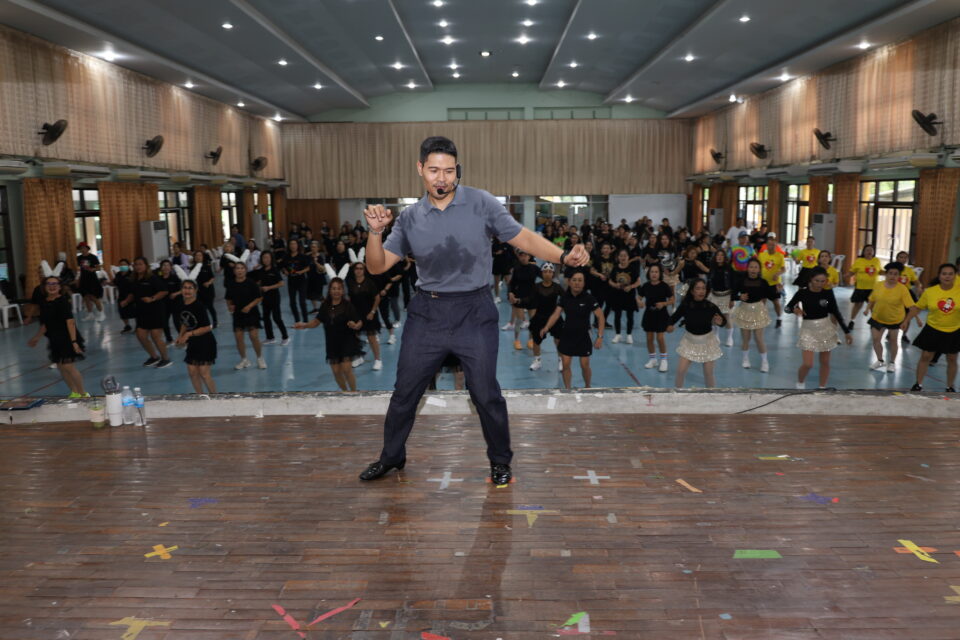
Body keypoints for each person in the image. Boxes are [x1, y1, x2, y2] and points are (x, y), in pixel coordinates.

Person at [358, 135, 589, 485]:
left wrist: (562, 256)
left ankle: (500, 461)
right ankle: (392, 456)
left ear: (458, 170)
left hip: (474, 312)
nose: (441, 178)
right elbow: (376, 267)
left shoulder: (481, 203)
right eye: (434, 170)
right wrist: (375, 233)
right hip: (427, 313)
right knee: (405, 392)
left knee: (485, 392)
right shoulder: (409, 218)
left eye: (449, 171)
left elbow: (522, 237)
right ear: (420, 169)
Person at [785, 266, 853, 389]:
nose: (820, 284)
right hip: (808, 329)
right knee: (808, 364)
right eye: (817, 281)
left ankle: (822, 387)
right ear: (811, 279)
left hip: (825, 328)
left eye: (823, 281)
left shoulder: (827, 293)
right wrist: (794, 310)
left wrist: (846, 331)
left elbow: (836, 312)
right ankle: (800, 383)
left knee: (825, 362)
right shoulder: (802, 293)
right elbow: (787, 308)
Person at [294, 277, 364, 392]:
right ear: (330, 290)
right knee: (336, 372)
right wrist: (304, 325)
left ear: (342, 291)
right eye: (334, 288)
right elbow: (316, 322)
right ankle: (345, 392)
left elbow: (359, 322)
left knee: (347, 370)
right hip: (332, 343)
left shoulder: (348, 305)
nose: (336, 291)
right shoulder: (325, 306)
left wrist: (356, 326)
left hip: (347, 341)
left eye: (339, 289)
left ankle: (354, 393)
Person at [539, 272, 604, 389]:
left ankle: (588, 387)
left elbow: (600, 316)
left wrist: (600, 336)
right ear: (569, 282)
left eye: (580, 280)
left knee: (584, 365)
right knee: (565, 364)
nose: (577, 283)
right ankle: (568, 390)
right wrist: (546, 327)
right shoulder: (564, 298)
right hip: (567, 335)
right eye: (574, 280)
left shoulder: (589, 298)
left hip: (584, 336)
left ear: (584, 283)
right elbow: (556, 314)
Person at [26, 275, 88, 397]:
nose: (52, 286)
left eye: (55, 284)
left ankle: (83, 394)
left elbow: (70, 322)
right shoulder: (44, 302)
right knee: (61, 367)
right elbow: (46, 323)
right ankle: (74, 393)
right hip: (54, 338)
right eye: (49, 284)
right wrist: (37, 337)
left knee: (68, 366)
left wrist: (74, 342)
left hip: (67, 337)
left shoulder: (62, 301)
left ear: (60, 287)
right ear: (44, 287)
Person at [902, 263, 960, 392]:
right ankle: (918, 384)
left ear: (955, 276)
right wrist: (906, 320)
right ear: (939, 276)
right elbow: (917, 308)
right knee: (926, 356)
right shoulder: (930, 292)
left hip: (954, 330)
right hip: (933, 328)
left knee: (952, 358)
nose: (947, 276)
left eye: (950, 274)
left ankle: (950, 386)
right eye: (944, 274)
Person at [667, 279, 727, 388]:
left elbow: (723, 321)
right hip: (689, 342)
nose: (701, 291)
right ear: (692, 291)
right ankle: (678, 394)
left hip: (707, 343)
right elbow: (673, 318)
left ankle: (712, 394)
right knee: (680, 371)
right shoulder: (686, 305)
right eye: (698, 288)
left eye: (703, 288)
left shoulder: (711, 306)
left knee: (708, 374)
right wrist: (669, 326)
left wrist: (721, 322)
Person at [865, 262, 915, 373]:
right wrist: (867, 309)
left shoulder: (902, 289)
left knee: (893, 341)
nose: (892, 276)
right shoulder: (878, 285)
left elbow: (912, 308)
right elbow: (872, 299)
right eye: (890, 273)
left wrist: (905, 321)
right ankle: (880, 360)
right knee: (876, 339)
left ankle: (892, 362)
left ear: (899, 276)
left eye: (896, 274)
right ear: (886, 274)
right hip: (877, 317)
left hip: (894, 320)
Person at [731, 257, 775, 372]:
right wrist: (739, 297)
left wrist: (777, 290)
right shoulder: (741, 281)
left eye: (756, 267)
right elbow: (732, 295)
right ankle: (745, 359)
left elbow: (771, 295)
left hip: (758, 310)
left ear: (759, 269)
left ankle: (765, 361)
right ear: (747, 268)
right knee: (746, 338)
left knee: (759, 338)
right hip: (744, 310)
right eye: (751, 267)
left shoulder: (763, 282)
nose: (753, 269)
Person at [174, 279, 217, 395]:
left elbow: (207, 327)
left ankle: (215, 397)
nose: (187, 290)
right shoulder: (181, 304)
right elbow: (184, 322)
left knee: (204, 373)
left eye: (190, 288)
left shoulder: (199, 306)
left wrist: (188, 334)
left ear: (195, 290)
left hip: (205, 342)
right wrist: (180, 336)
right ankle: (200, 396)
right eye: (184, 288)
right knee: (192, 372)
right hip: (193, 342)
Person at [131, 256, 172, 367]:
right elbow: (133, 293)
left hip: (156, 310)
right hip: (142, 311)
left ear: (146, 266)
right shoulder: (134, 279)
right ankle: (154, 357)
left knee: (155, 336)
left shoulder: (152, 278)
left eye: (140, 264)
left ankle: (166, 359)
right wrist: (126, 301)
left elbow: (164, 291)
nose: (138, 266)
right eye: (136, 264)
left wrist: (152, 298)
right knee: (141, 335)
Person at [225, 261, 265, 370]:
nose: (240, 270)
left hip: (252, 313)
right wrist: (230, 307)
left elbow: (259, 297)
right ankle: (244, 360)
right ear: (234, 271)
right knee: (238, 338)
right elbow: (228, 298)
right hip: (238, 314)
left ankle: (260, 358)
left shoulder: (251, 283)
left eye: (242, 268)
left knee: (254, 336)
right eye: (237, 268)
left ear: (245, 270)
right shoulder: (231, 284)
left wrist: (249, 306)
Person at [637, 264, 674, 372]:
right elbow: (639, 297)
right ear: (649, 273)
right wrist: (640, 302)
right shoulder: (646, 286)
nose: (654, 274)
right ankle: (653, 359)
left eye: (656, 272)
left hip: (661, 315)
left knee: (660, 338)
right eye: (652, 272)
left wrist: (664, 303)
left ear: (660, 274)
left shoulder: (664, 286)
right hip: (649, 315)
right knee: (649, 338)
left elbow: (672, 300)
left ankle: (664, 360)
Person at [527, 263, 564, 371]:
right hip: (539, 316)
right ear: (542, 273)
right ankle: (537, 360)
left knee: (558, 339)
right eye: (545, 271)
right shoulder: (536, 287)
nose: (547, 274)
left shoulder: (557, 287)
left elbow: (566, 299)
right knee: (536, 340)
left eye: (550, 272)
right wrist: (518, 301)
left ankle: (560, 360)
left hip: (554, 317)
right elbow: (529, 300)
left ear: (553, 274)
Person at [347, 262, 384, 371]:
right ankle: (359, 357)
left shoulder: (369, 283)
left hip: (369, 314)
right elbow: (350, 299)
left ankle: (378, 360)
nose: (358, 270)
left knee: (371, 337)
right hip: (356, 314)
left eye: (361, 268)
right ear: (354, 270)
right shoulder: (351, 283)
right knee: (355, 336)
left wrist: (372, 312)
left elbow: (377, 298)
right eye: (356, 268)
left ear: (364, 270)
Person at [504, 250, 539, 349]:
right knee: (519, 320)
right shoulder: (516, 269)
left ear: (529, 257)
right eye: (521, 256)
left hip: (531, 297)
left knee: (533, 321)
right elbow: (511, 283)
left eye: (525, 256)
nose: (523, 258)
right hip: (518, 297)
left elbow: (545, 277)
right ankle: (516, 340)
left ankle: (530, 340)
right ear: (519, 257)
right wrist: (510, 292)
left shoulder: (534, 268)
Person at [253, 251, 289, 346]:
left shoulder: (275, 270)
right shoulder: (261, 270)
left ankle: (285, 337)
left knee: (277, 318)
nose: (266, 259)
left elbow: (281, 283)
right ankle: (270, 338)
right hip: (265, 298)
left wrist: (269, 288)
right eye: (264, 257)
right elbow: (259, 282)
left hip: (274, 297)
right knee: (266, 318)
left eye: (268, 257)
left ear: (271, 259)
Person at [608, 248, 640, 344]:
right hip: (617, 295)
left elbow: (638, 282)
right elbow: (610, 280)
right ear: (618, 257)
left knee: (630, 315)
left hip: (629, 295)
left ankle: (629, 335)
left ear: (628, 257)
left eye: (625, 256)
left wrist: (631, 286)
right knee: (617, 315)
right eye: (621, 256)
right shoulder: (615, 268)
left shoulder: (632, 268)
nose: (623, 258)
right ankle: (618, 334)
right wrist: (615, 285)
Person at [846, 244, 882, 329]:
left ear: (873, 252)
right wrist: (846, 276)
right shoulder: (859, 261)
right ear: (864, 252)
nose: (869, 252)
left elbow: (880, 271)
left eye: (871, 250)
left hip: (873, 288)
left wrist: (890, 273)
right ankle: (852, 321)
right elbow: (852, 271)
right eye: (867, 250)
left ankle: (873, 322)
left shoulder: (876, 260)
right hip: (861, 287)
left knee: (873, 306)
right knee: (858, 305)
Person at [707, 251, 735, 347]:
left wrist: (732, 299)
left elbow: (733, 284)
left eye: (722, 255)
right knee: (714, 316)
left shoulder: (729, 268)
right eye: (718, 255)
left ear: (725, 257)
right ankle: (716, 336)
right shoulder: (712, 268)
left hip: (726, 296)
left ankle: (729, 338)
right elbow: (709, 282)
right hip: (714, 295)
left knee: (727, 317)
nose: (719, 257)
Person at [758, 234, 786, 328]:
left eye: (773, 245)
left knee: (776, 302)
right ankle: (761, 318)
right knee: (762, 301)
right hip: (763, 282)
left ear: (776, 245)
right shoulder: (762, 255)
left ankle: (779, 318)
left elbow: (783, 269)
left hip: (774, 283)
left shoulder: (780, 256)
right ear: (766, 245)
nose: (772, 247)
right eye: (770, 245)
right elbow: (758, 267)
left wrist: (777, 274)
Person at [76, 242, 105, 321]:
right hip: (83, 279)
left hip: (92, 279)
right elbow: (80, 269)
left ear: (87, 248)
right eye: (81, 248)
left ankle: (102, 313)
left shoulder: (93, 257)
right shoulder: (79, 258)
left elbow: (99, 268)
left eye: (84, 248)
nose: (82, 249)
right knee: (86, 297)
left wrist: (93, 269)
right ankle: (90, 314)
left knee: (94, 297)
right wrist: (78, 280)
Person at [284, 239, 311, 323]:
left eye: (294, 244)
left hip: (301, 281)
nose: (293, 246)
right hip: (291, 281)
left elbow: (308, 268)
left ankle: (305, 321)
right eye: (291, 244)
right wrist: (285, 271)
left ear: (297, 245)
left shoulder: (302, 256)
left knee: (302, 302)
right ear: (289, 246)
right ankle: (297, 321)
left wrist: (301, 272)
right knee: (292, 302)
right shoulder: (286, 257)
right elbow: (283, 267)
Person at [157, 260, 182, 345]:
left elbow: (182, 289)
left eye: (168, 265)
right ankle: (169, 339)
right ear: (161, 268)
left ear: (171, 268)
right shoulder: (158, 279)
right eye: (164, 265)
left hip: (175, 302)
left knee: (177, 321)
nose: (166, 267)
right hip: (163, 303)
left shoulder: (175, 277)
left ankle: (182, 337)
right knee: (164, 322)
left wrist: (175, 294)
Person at [192, 250, 218, 329]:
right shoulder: (193, 268)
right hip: (199, 292)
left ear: (203, 257)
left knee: (210, 306)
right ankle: (204, 323)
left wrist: (208, 283)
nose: (198, 257)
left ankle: (215, 321)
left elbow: (212, 277)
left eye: (200, 255)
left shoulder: (207, 266)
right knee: (200, 308)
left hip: (208, 291)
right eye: (196, 256)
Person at [113, 259, 136, 334]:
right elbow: (115, 283)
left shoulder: (132, 274)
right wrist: (106, 282)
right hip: (121, 295)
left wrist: (128, 300)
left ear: (128, 265)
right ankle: (127, 326)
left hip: (132, 295)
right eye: (121, 264)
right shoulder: (118, 274)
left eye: (124, 264)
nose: (123, 266)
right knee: (122, 312)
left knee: (135, 312)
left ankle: (138, 326)